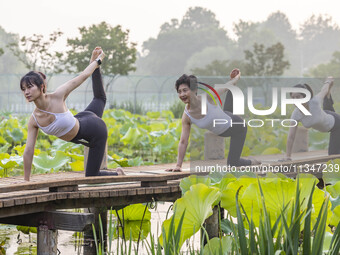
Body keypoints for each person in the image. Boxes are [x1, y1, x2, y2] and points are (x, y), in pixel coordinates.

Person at [21, 47, 124, 181]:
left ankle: (119, 174)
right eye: (23, 89)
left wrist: (98, 61)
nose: (26, 92)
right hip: (83, 118)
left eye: (29, 87)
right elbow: (28, 151)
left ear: (41, 87)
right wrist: (26, 180)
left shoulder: (58, 95)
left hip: (95, 130)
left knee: (92, 176)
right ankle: (95, 67)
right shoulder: (34, 120)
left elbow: (82, 76)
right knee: (99, 99)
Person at [166, 70, 259, 172]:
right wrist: (178, 165)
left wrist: (235, 79)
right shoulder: (187, 116)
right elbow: (183, 142)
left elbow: (226, 86)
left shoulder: (209, 97)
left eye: (185, 90)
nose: (182, 94)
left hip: (238, 127)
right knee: (227, 112)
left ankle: (252, 161)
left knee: (233, 163)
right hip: (225, 118)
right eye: (179, 92)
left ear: (194, 89)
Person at [284, 77, 340, 160]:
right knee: (326, 109)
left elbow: (323, 90)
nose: (295, 100)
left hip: (336, 124)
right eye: (293, 97)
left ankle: (328, 95)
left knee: (333, 156)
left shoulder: (314, 102)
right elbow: (291, 136)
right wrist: (288, 156)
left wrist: (328, 81)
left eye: (298, 97)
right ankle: (328, 97)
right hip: (324, 115)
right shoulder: (296, 114)